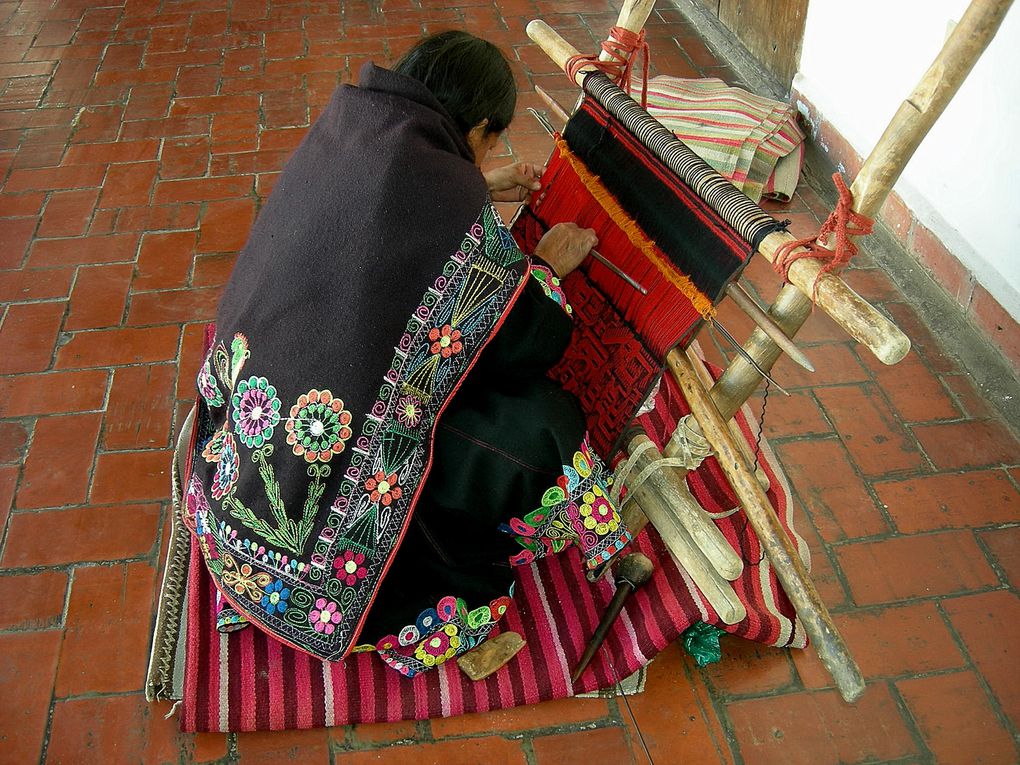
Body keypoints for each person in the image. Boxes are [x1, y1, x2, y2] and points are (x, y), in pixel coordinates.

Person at [182, 30, 631, 677]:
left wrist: (478, 181)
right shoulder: (448, 195)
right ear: (477, 126)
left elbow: (381, 235)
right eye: (489, 143)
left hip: (228, 493)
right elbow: (522, 341)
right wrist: (547, 269)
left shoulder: (349, 127)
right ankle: (398, 591)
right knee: (544, 428)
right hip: (309, 558)